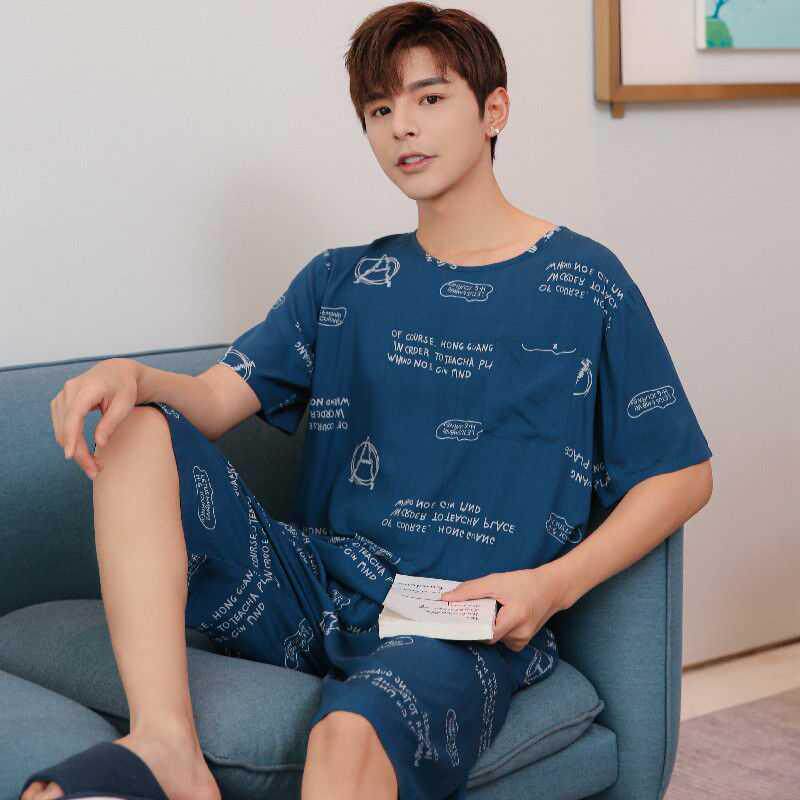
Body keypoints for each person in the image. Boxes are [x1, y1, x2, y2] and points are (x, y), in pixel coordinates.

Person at [21, 3, 714, 800]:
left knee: (345, 740)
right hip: (316, 587)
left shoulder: (586, 283)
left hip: (458, 616)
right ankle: (164, 745)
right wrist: (133, 377)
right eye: (380, 110)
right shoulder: (340, 280)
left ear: (494, 110)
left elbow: (683, 473)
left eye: (429, 99)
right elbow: (210, 400)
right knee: (135, 429)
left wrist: (554, 585)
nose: (401, 128)